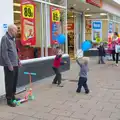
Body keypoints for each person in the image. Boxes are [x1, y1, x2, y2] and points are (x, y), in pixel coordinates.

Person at [0, 24, 21, 107]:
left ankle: (13, 96)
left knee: (14, 81)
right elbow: (4, 53)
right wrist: (9, 65)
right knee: (9, 82)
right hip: (9, 65)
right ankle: (9, 99)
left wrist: (18, 60)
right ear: (11, 30)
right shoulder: (5, 38)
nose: (17, 32)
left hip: (15, 64)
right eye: (16, 30)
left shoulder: (12, 39)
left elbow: (14, 52)